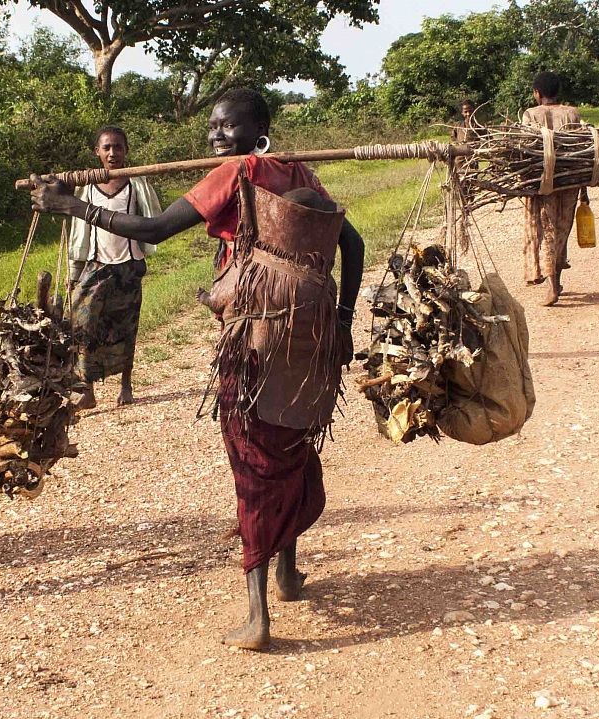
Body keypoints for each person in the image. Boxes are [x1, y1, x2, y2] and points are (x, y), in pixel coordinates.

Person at [29, 88, 365, 650]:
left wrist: (73, 207)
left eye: (226, 127)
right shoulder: (301, 170)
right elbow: (351, 245)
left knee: (253, 456)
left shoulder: (235, 174)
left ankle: (258, 616)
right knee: (292, 439)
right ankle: (286, 572)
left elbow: (156, 229)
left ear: (256, 129)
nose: (214, 136)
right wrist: (346, 320)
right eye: (212, 127)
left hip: (254, 336)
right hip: (310, 333)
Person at [67, 126, 162, 408]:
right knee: (83, 326)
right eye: (106, 147)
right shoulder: (87, 188)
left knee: (125, 326)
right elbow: (78, 231)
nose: (112, 153)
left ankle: (126, 384)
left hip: (127, 267)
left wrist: (142, 258)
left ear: (126, 150)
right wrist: (74, 272)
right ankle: (87, 389)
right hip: (96, 266)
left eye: (118, 147)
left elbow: (152, 221)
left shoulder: (135, 185)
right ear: (97, 152)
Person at [520, 71, 589, 306]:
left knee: (547, 230)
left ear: (537, 93)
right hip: (569, 182)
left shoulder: (530, 114)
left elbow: (524, 150)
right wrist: (584, 189)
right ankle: (556, 281)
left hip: (542, 183)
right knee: (561, 230)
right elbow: (584, 152)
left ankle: (551, 287)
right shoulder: (572, 113)